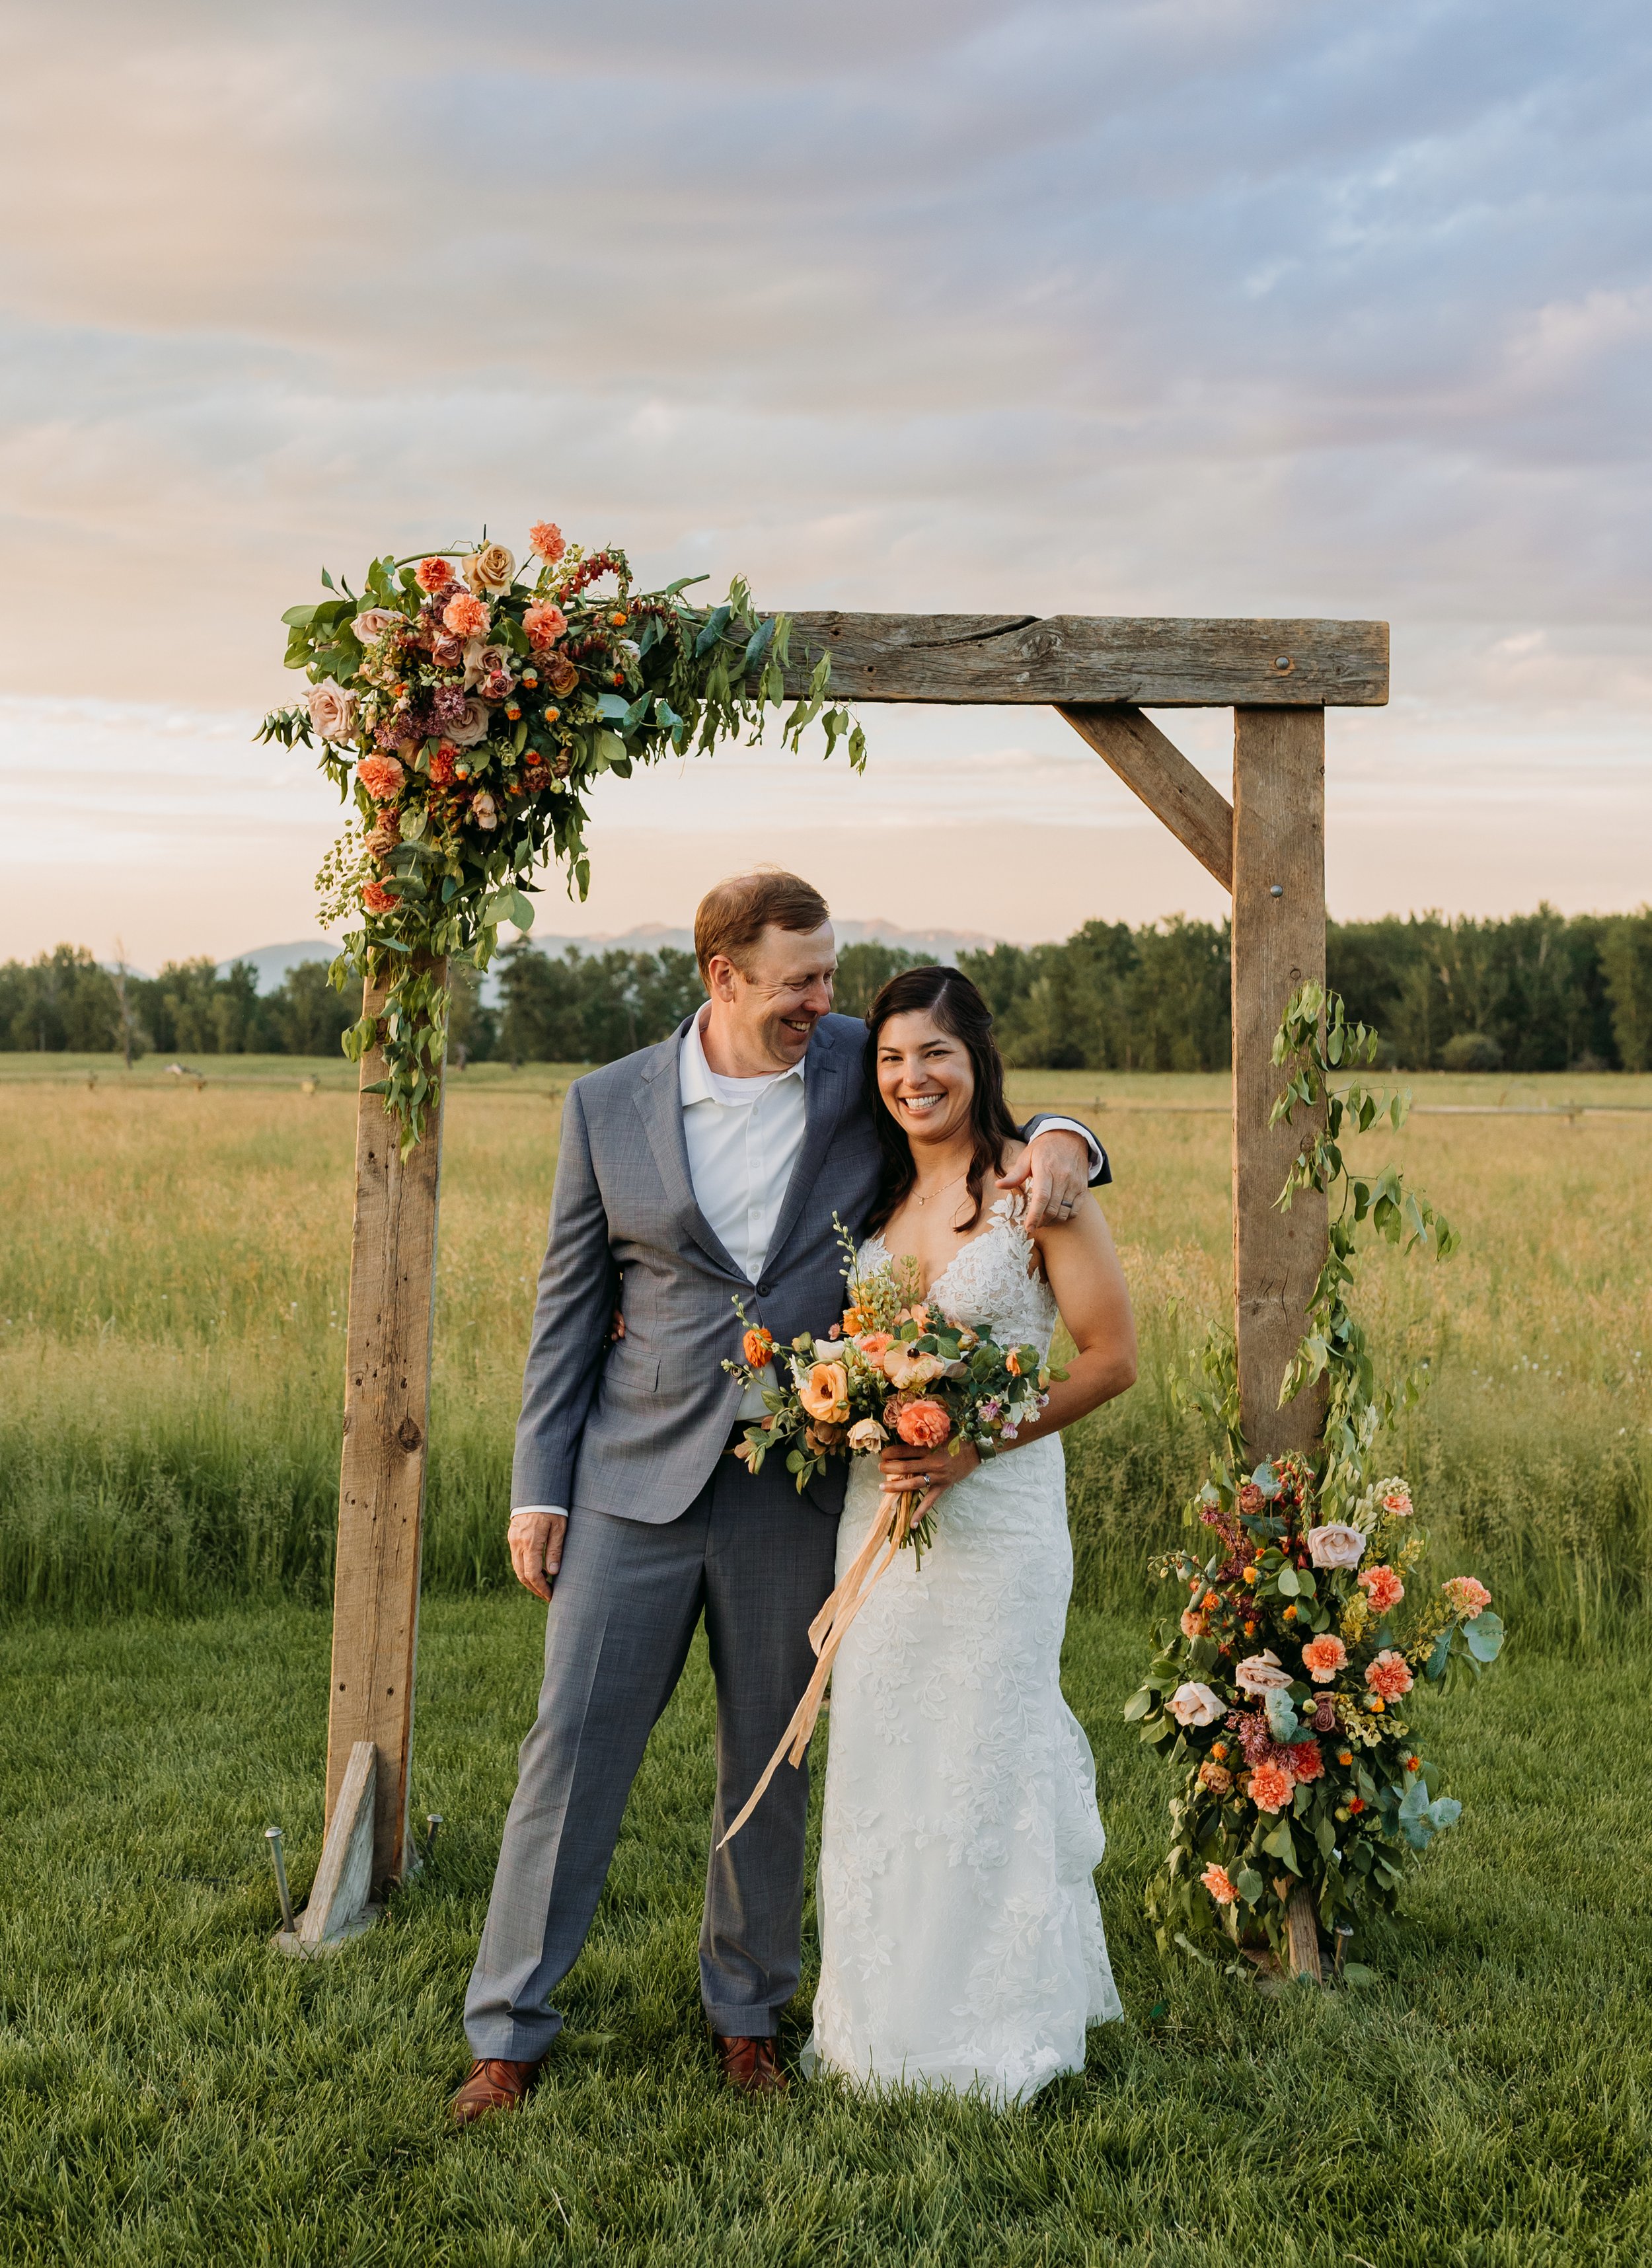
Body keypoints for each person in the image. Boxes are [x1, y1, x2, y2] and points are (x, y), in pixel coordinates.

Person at [453, 872, 1107, 2123]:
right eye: (800, 978)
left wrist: (1073, 1140)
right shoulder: (607, 1106)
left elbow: (970, 1080)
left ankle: (748, 2016)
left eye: (829, 974)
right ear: (724, 976)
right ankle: (509, 2032)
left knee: (773, 1753)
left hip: (791, 1486)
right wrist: (539, 1489)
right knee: (571, 1756)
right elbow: (566, 1309)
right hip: (631, 1483)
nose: (824, 999)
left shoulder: (856, 1058)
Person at [808, 965, 1137, 2105]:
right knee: (890, 1756)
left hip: (998, 1520)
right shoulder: (875, 1195)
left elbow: (1110, 1359)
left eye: (934, 1055)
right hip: (885, 1523)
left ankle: (1000, 2023)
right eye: (892, 1060)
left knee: (987, 1757)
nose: (912, 1079)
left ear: (977, 1057)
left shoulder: (1038, 1185)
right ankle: (876, 2028)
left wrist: (971, 1448)